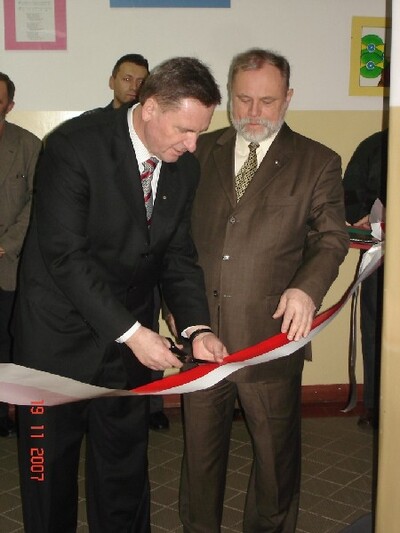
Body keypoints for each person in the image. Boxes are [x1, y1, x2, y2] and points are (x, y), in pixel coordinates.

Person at [13, 56, 227, 533]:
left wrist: (197, 328)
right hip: (56, 341)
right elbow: (65, 257)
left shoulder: (183, 169)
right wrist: (133, 333)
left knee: (124, 473)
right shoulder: (74, 146)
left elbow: (177, 256)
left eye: (200, 132)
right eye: (184, 130)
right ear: (150, 108)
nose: (192, 145)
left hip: (129, 349)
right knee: (48, 475)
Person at [179, 48, 349, 533]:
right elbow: (176, 238)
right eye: (243, 99)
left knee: (276, 463)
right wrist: (180, 311)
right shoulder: (198, 152)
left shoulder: (317, 161)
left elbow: (331, 238)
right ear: (229, 95)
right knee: (199, 459)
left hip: (271, 336)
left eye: (267, 101)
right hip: (203, 337)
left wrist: (306, 289)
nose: (254, 112)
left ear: (288, 98)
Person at [0, 72, 41, 437]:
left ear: (10, 105)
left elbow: (37, 202)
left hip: (8, 264)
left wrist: (6, 244)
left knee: (7, 343)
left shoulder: (28, 145)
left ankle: (4, 414)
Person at [343, 129, 388, 428]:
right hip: (381, 256)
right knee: (375, 331)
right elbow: (350, 193)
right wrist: (366, 218)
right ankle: (375, 406)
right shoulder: (374, 146)